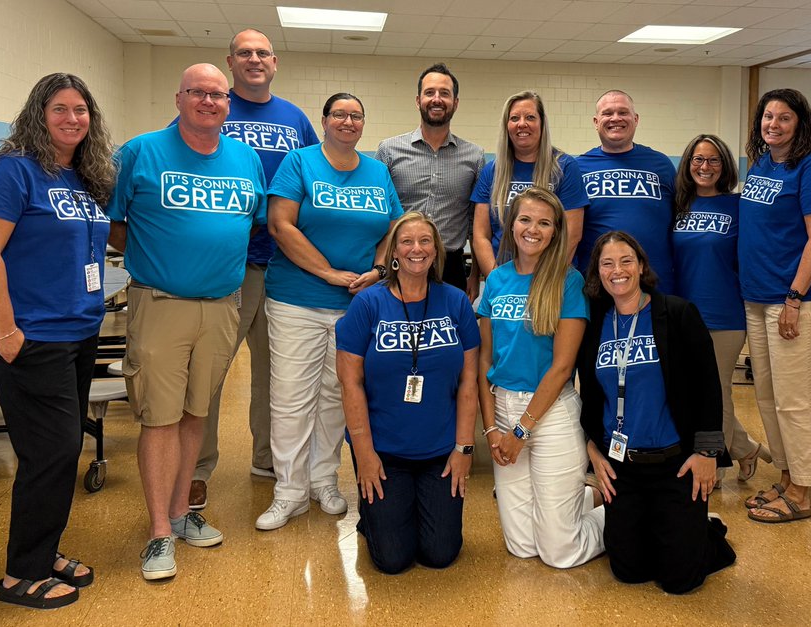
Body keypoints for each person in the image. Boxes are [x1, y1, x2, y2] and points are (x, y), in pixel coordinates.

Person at [108, 63, 267, 580]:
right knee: (160, 417)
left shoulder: (245, 158)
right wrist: (159, 258)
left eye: (218, 95)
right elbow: (112, 226)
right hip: (161, 304)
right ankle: (157, 534)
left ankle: (180, 515)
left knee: (197, 412)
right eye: (198, 92)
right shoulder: (141, 152)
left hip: (223, 304)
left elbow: (253, 223)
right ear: (179, 98)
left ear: (229, 104)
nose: (208, 102)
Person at [0, 72, 113, 609]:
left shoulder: (80, 178)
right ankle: (20, 576)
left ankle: (43, 551)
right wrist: (7, 332)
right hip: (29, 336)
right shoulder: (9, 173)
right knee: (49, 453)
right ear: (38, 113)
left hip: (78, 332)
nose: (72, 118)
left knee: (60, 450)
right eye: (60, 108)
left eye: (81, 110)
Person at [255, 92, 403, 531]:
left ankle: (324, 482)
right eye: (339, 114)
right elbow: (280, 225)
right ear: (324, 120)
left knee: (337, 396)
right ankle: (289, 491)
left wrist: (378, 270)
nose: (348, 121)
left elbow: (393, 227)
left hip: (356, 306)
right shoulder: (300, 163)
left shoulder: (377, 171)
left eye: (356, 115)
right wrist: (329, 273)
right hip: (296, 299)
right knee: (291, 397)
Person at [190, 27, 321, 510]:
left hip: (285, 263)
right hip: (229, 264)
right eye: (244, 53)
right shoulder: (210, 109)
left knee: (275, 372)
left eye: (262, 53)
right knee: (211, 371)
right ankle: (198, 468)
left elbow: (316, 173)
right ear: (230, 62)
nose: (253, 60)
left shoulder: (294, 118)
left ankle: (268, 458)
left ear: (275, 62)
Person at [578, 231, 736, 594]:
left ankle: (705, 530)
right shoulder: (596, 324)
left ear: (642, 266)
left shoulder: (677, 313)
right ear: (598, 273)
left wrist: (707, 453)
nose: (617, 270)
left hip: (675, 463)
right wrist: (592, 450)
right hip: (622, 466)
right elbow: (588, 397)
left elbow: (708, 386)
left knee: (680, 580)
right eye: (607, 263)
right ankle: (670, 526)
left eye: (626, 261)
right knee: (628, 570)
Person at [336, 212, 479, 574]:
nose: (417, 249)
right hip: (383, 451)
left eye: (425, 241)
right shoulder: (368, 305)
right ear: (394, 253)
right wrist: (364, 454)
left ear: (436, 251)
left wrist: (464, 449)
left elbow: (468, 381)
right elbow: (350, 383)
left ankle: (404, 512)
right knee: (392, 560)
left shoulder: (456, 302)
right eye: (407, 242)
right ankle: (374, 520)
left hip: (440, 450)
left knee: (440, 554)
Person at [477, 187, 604, 568]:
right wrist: (491, 430)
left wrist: (521, 432)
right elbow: (484, 360)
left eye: (544, 223)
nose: (533, 229)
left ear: (555, 232)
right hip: (502, 408)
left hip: (549, 410)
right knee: (522, 546)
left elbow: (563, 367)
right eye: (526, 219)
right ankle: (572, 499)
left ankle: (622, 510)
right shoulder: (496, 280)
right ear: (512, 225)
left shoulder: (568, 281)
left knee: (559, 553)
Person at [738, 89, 811, 523]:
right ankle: (785, 474)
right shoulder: (762, 164)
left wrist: (795, 297)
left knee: (796, 399)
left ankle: (802, 490)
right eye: (768, 117)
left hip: (792, 299)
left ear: (800, 124)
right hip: (756, 296)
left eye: (784, 118)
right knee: (768, 396)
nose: (773, 124)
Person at [671, 133, 770, 487]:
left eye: (713, 160)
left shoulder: (737, 206)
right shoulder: (676, 205)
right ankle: (745, 448)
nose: (705, 166)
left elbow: (754, 257)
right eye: (698, 159)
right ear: (688, 165)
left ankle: (708, 469)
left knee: (716, 393)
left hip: (724, 316)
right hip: (682, 315)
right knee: (690, 392)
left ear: (724, 166)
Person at [376, 63, 484, 295]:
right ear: (418, 101)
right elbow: (377, 215)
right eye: (429, 92)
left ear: (455, 103)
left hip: (451, 267)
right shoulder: (389, 150)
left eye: (444, 93)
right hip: (398, 263)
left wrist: (474, 273)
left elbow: (477, 223)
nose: (437, 99)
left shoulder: (475, 156)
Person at [471, 91, 588, 279]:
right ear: (506, 125)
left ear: (542, 123)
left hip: (551, 280)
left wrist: (543, 282)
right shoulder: (492, 171)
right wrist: (497, 281)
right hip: (503, 278)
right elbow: (480, 235)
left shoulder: (564, 168)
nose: (522, 123)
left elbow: (571, 236)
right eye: (514, 118)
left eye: (530, 117)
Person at [576, 91, 677, 292]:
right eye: (607, 113)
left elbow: (679, 219)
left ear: (635, 119)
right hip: (598, 286)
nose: (615, 118)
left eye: (623, 112)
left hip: (655, 285)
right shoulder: (578, 168)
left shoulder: (661, 165)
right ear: (596, 121)